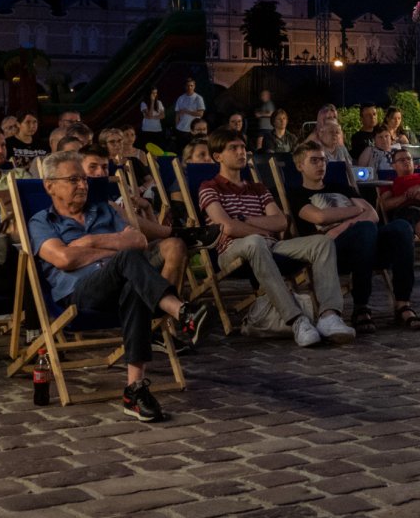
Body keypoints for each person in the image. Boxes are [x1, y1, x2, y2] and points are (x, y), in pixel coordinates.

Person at [28, 152, 207, 422]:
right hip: (81, 292)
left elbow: (139, 242)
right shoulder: (41, 222)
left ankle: (135, 390)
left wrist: (90, 242)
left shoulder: (105, 210)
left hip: (121, 285)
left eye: (84, 179)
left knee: (134, 285)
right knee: (127, 260)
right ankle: (181, 311)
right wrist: (114, 248)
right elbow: (64, 259)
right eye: (73, 179)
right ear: (50, 185)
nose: (83, 185)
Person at [198, 129, 355, 347]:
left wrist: (245, 220)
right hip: (231, 250)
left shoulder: (258, 188)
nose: (241, 152)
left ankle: (329, 316)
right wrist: (260, 229)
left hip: (270, 245)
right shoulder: (209, 187)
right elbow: (227, 227)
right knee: (255, 241)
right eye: (233, 148)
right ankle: (296, 319)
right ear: (218, 157)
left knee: (322, 242)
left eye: (242, 147)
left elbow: (280, 222)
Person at [288, 140, 420, 334]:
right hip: (333, 251)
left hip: (366, 242)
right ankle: (361, 306)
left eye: (323, 160)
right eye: (314, 161)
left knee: (402, 227)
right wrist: (355, 211)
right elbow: (320, 217)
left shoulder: (341, 187)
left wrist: (345, 224)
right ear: (299, 166)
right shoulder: (297, 194)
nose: (321, 165)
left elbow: (372, 214)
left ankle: (403, 304)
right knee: (365, 228)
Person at [80, 145, 186, 290]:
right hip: (104, 271)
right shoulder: (73, 206)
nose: (100, 173)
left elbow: (148, 240)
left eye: (104, 167)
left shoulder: (109, 202)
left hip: (132, 261)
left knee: (175, 246)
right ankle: (181, 233)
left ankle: (167, 303)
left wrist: (147, 208)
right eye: (93, 167)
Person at [173, 79, 207, 146]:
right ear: (185, 87)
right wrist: (177, 126)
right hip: (181, 129)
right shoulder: (181, 98)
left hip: (193, 131)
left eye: (191, 85)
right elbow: (177, 114)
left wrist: (187, 111)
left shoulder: (198, 98)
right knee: (180, 148)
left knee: (192, 148)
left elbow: (201, 114)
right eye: (188, 86)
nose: (189, 87)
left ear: (194, 86)